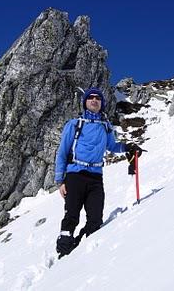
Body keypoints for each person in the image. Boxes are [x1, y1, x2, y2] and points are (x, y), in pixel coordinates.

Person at [54, 87, 142, 257]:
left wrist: (127, 147)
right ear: (85, 102)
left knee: (95, 219)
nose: (94, 100)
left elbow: (112, 146)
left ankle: (86, 253)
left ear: (102, 104)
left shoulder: (106, 127)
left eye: (98, 98)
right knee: (71, 214)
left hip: (96, 177)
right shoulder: (75, 124)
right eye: (91, 98)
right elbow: (63, 152)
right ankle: (63, 254)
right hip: (75, 175)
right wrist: (60, 181)